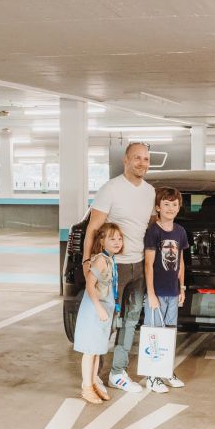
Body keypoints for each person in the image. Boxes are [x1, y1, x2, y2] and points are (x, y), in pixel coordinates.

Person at [82, 142, 155, 394]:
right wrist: (86, 261)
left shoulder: (150, 192)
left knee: (131, 321)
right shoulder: (111, 189)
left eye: (146, 159)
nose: (142, 163)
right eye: (137, 158)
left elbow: (149, 229)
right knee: (106, 321)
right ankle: (94, 375)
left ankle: (118, 373)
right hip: (114, 268)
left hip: (138, 266)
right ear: (125, 160)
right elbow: (93, 229)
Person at [142, 187, 189, 393]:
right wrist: (151, 294)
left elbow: (181, 261)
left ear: (179, 208)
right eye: (166, 204)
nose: (171, 208)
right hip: (157, 293)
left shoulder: (180, 231)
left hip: (173, 291)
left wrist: (182, 288)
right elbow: (148, 264)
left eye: (174, 205)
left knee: (169, 333)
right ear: (158, 207)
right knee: (155, 334)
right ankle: (152, 376)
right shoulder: (154, 231)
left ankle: (166, 371)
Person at [73, 223, 124, 404]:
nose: (117, 242)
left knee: (96, 350)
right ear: (102, 241)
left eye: (119, 238)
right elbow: (89, 284)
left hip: (104, 310)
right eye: (112, 238)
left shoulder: (110, 259)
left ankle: (93, 383)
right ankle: (86, 388)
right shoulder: (101, 260)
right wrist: (99, 307)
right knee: (89, 351)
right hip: (95, 311)